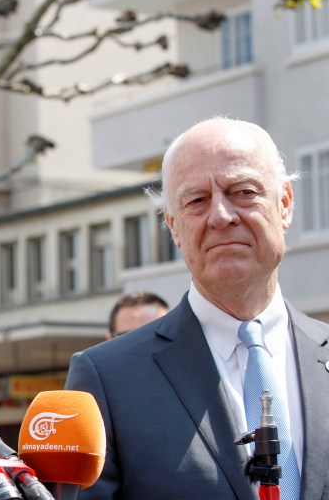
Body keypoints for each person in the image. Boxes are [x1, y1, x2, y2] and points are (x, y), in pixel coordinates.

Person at [64, 117, 329, 499]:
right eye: (197, 201)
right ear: (173, 226)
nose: (221, 216)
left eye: (243, 191)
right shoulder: (107, 381)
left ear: (284, 204)